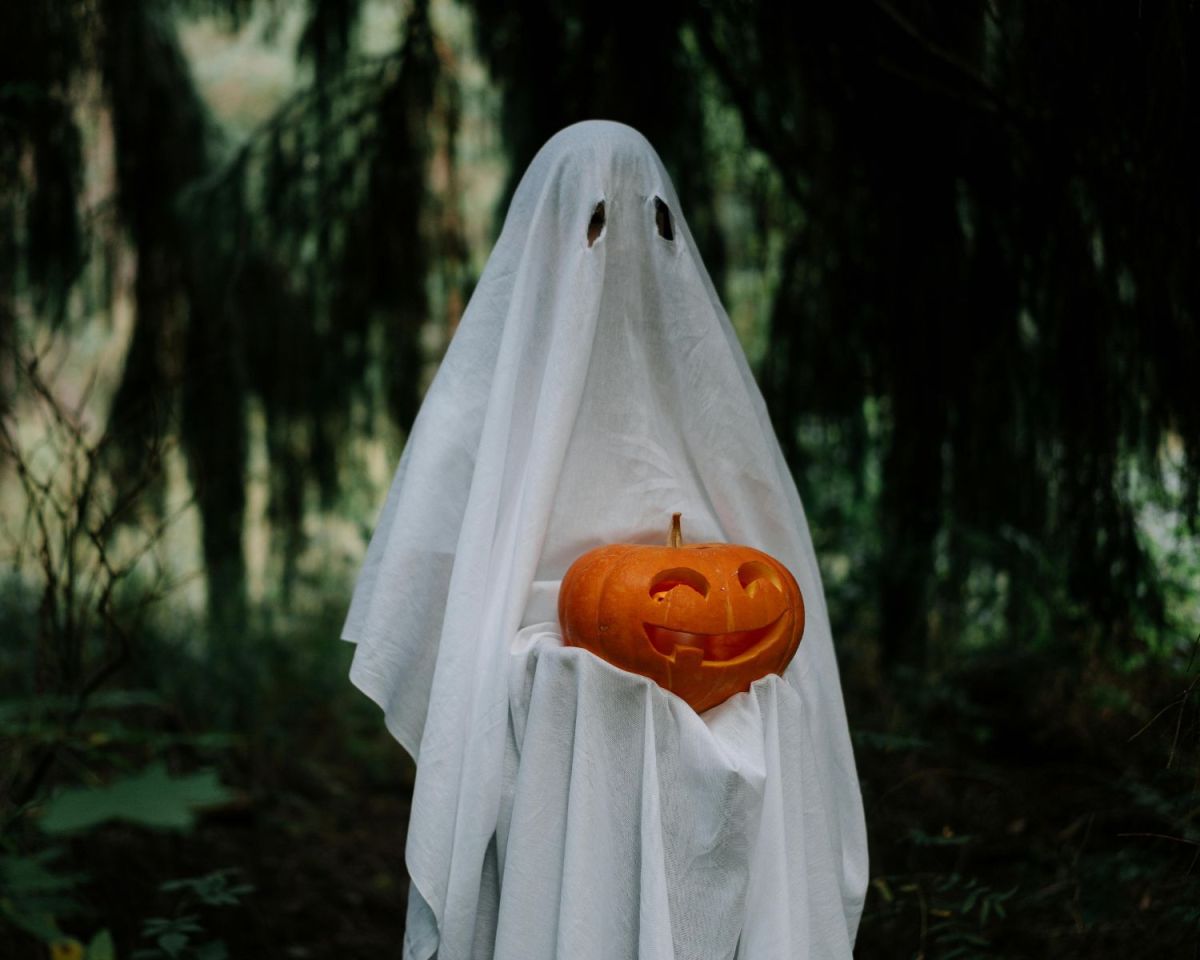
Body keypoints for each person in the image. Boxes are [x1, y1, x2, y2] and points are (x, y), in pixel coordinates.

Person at [342, 120, 868, 960]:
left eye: (652, 225)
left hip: (689, 638)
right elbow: (436, 591)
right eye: (594, 224)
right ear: (549, 230)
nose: (620, 248)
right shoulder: (483, 394)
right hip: (552, 668)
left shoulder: (710, 388)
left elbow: (767, 544)